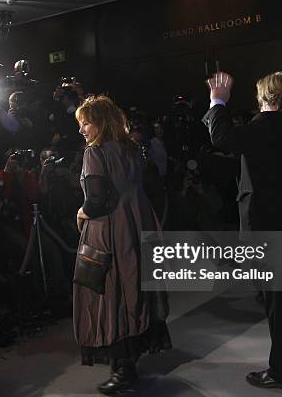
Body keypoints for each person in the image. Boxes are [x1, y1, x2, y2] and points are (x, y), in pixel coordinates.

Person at [203, 71, 282, 390]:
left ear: (268, 97)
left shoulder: (265, 125)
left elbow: (223, 139)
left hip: (275, 228)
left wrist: (217, 100)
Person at [73, 95, 171, 395]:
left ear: (100, 123)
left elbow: (97, 200)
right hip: (138, 223)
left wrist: (82, 212)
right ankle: (132, 359)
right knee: (135, 288)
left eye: (86, 123)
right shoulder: (131, 148)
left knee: (111, 294)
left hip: (111, 230)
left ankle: (123, 369)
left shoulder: (96, 153)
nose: (82, 131)